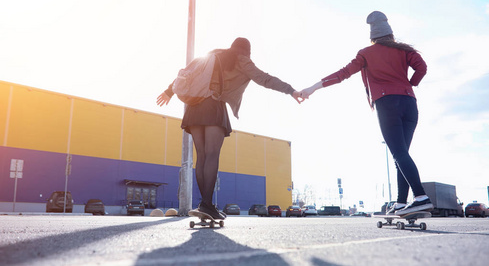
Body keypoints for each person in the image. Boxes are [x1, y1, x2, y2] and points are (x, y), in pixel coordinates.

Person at [300, 11, 433, 216]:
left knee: (399, 153)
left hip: (387, 104)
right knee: (401, 153)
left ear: (372, 35)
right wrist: (410, 84)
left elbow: (343, 73)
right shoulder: (404, 50)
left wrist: (313, 87)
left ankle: (421, 197)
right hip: (409, 103)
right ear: (390, 33)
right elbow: (422, 67)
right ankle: (400, 203)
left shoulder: (366, 54)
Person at [157, 37, 303, 220]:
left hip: (193, 109)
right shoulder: (241, 60)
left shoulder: (213, 53)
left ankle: (206, 204)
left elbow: (187, 72)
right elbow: (264, 79)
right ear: (246, 51)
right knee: (211, 155)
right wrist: (291, 90)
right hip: (212, 107)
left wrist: (169, 91)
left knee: (201, 157)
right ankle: (207, 205)